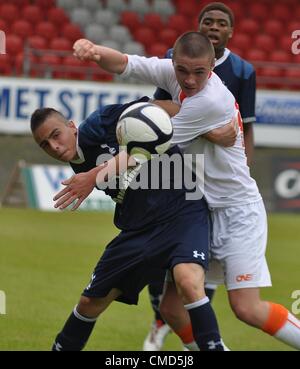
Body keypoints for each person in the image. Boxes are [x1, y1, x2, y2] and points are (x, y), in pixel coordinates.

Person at [72, 32, 300, 350]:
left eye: (199, 72)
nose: (190, 80)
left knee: (246, 308)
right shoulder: (174, 73)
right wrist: (96, 51)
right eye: (182, 70)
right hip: (198, 211)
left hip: (236, 211)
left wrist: (91, 178)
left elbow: (142, 148)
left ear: (212, 67)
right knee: (172, 309)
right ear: (174, 63)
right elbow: (127, 63)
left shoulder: (210, 101)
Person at [31, 98, 232, 351]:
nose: (54, 146)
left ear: (72, 126)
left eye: (56, 135)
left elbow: (157, 109)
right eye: (45, 144)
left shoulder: (100, 123)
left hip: (180, 210)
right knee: (89, 304)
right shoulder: (78, 160)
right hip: (137, 228)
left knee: (188, 282)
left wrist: (209, 129)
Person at [146, 1, 257, 349]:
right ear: (197, 27)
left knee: (195, 270)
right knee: (164, 265)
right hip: (176, 171)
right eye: (207, 21)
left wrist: (244, 167)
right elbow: (159, 114)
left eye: (221, 23)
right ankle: (160, 325)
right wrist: (208, 131)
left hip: (220, 180)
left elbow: (243, 128)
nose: (213, 26)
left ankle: (196, 339)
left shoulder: (242, 71)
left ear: (230, 32)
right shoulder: (175, 58)